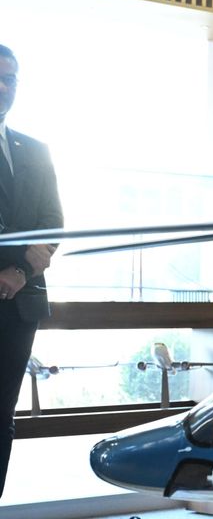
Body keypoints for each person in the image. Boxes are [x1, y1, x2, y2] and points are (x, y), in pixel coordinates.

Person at [0, 44, 63, 498]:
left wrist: (18, 270)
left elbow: (53, 222)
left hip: (20, 304)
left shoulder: (35, 150)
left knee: (2, 412)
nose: (4, 87)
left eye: (11, 79)